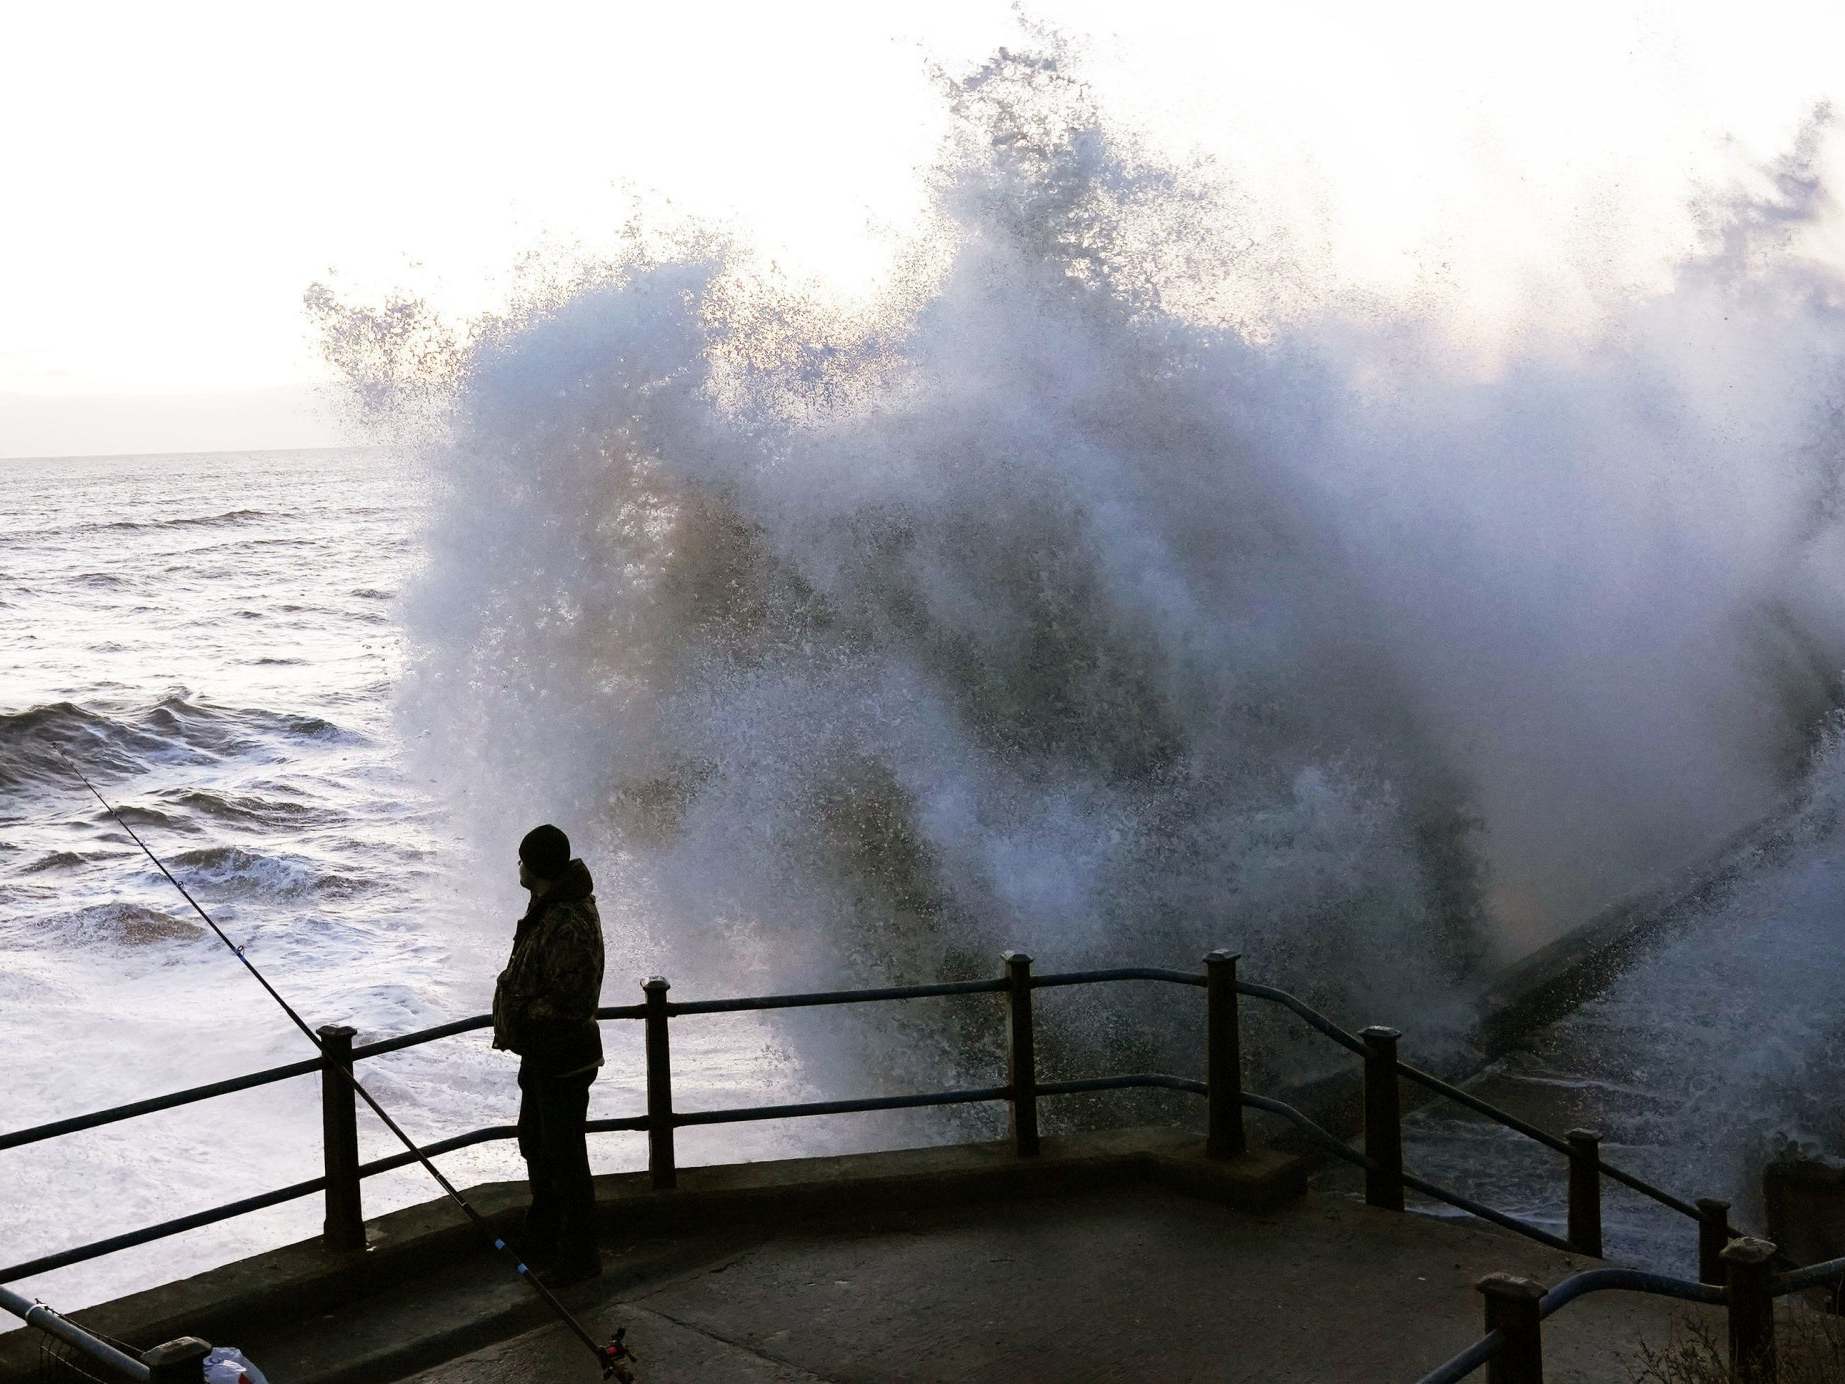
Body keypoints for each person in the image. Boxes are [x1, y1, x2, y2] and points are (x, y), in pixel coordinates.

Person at [492, 823, 606, 1285]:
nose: (517, 866)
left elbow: (572, 997)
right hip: (543, 1055)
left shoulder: (567, 920)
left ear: (536, 867)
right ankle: (544, 1238)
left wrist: (527, 1016)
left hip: (561, 1056)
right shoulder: (551, 905)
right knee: (537, 1145)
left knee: (565, 1160)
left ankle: (579, 1257)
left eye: (522, 859)